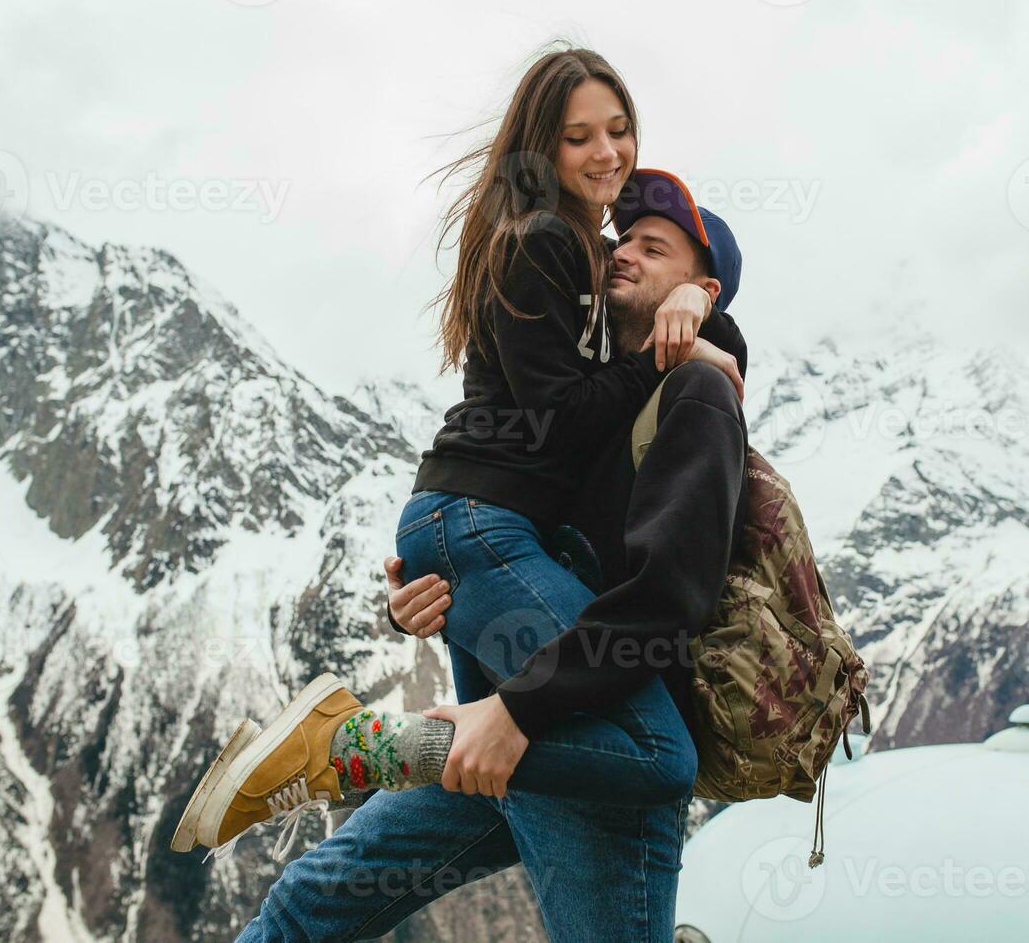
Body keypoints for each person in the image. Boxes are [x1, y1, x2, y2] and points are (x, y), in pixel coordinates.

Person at [229, 167, 752, 942]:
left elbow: (664, 599)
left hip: (588, 741)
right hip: (526, 726)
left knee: (656, 757)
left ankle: (369, 747)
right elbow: (525, 551)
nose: (622, 255)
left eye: (653, 247)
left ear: (702, 290)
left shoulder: (695, 401)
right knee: (313, 906)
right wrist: (438, 600)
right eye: (620, 241)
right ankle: (354, 748)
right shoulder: (593, 399)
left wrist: (513, 709)